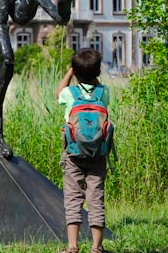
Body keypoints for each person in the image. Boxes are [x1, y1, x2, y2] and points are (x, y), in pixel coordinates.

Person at [56, 48, 110, 253]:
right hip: (98, 154)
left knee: (73, 198)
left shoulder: (70, 93)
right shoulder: (103, 92)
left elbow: (58, 92)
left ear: (75, 72)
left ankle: (72, 246)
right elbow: (100, 95)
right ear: (97, 72)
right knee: (96, 198)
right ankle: (96, 247)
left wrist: (69, 74)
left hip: (73, 154)